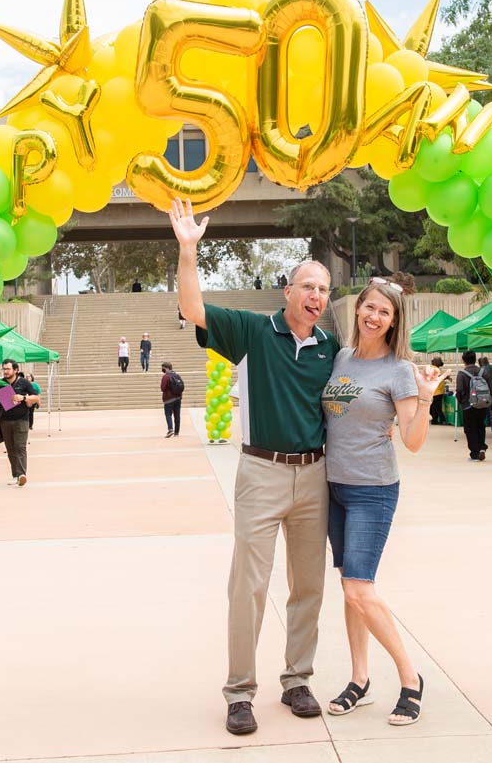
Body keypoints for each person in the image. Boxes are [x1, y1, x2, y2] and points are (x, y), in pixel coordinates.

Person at [169, 197, 339, 736]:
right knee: (248, 586)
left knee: (308, 585)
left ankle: (297, 680)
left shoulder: (330, 349)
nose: (316, 296)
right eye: (307, 286)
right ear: (287, 291)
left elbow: (345, 400)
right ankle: (240, 692)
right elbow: (194, 309)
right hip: (261, 472)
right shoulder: (251, 331)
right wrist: (188, 250)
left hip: (315, 475)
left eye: (324, 290)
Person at [321, 278, 448, 726]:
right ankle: (360, 679)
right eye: (369, 308)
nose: (374, 317)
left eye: (384, 313)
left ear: (395, 321)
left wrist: (428, 399)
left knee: (360, 587)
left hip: (372, 490)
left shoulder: (400, 370)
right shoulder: (342, 357)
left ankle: (410, 678)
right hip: (333, 487)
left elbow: (412, 441)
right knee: (349, 589)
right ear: (358, 310)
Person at [0, 359, 39, 486]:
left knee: (20, 447)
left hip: (21, 420)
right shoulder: (0, 383)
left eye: (8, 369)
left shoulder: (24, 383)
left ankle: (21, 474)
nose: (5, 371)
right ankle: (15, 475)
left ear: (15, 370)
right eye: (4, 369)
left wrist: (23, 398)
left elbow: (35, 398)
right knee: (10, 449)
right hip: (5, 421)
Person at [456, 351, 489, 461]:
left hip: (468, 405)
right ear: (475, 359)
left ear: (463, 360)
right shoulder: (483, 372)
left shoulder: (461, 374)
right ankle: (482, 448)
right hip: (482, 404)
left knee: (470, 429)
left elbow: (459, 390)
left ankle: (474, 453)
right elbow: (491, 389)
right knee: (480, 426)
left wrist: (461, 402)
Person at [161, 362, 183, 437]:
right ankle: (176, 432)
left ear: (166, 368)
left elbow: (163, 388)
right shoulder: (177, 375)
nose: (162, 369)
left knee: (168, 414)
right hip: (178, 398)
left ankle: (170, 430)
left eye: (163, 368)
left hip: (168, 399)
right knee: (177, 415)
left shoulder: (165, 377)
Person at [478, 356, 492, 432]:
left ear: (482, 362)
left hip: (487, 389)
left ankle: (488, 421)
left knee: (487, 404)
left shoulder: (483, 369)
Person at [428, 356, 448, 425]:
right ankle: (441, 420)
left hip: (437, 391)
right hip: (436, 391)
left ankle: (435, 420)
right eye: (439, 361)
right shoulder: (434, 369)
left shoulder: (435, 368)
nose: (441, 362)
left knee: (434, 406)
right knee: (437, 406)